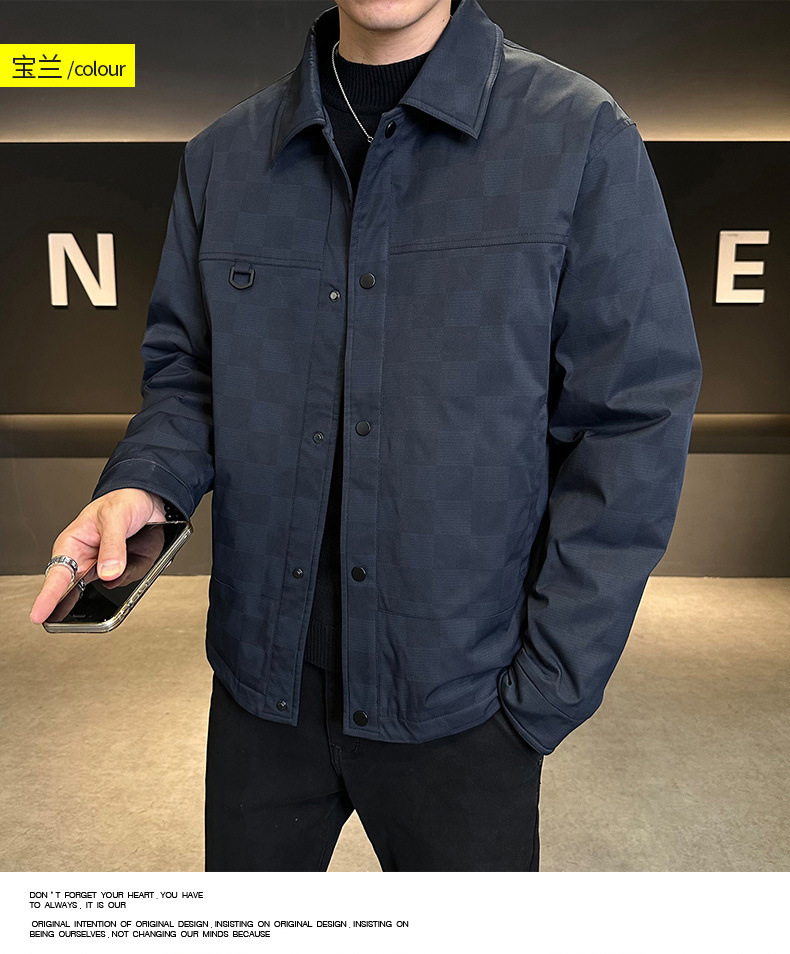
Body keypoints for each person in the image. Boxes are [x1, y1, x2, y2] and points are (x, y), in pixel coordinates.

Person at [29, 0, 703, 872]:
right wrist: (142, 482)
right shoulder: (223, 157)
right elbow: (189, 376)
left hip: (467, 708)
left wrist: (543, 694)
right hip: (261, 693)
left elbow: (634, 417)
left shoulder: (578, 139)